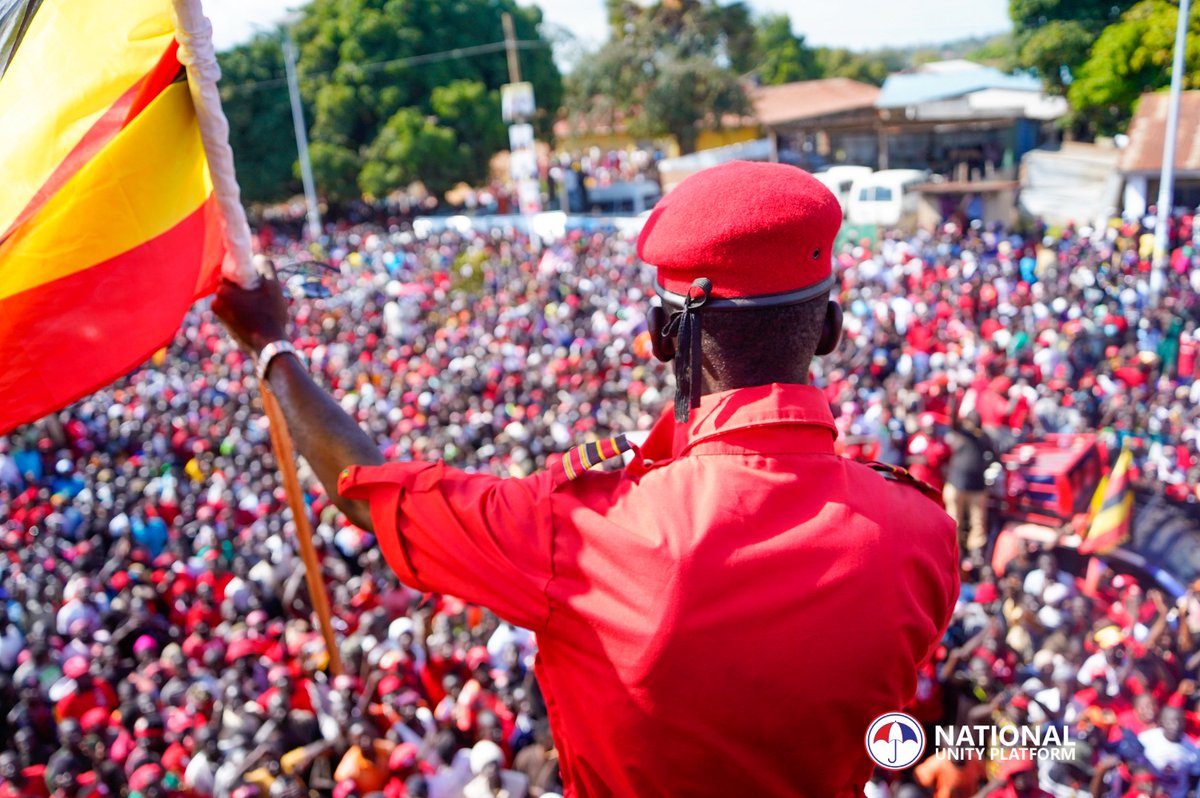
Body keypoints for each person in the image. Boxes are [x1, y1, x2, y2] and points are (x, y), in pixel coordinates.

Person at [215, 161, 961, 796]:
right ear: (829, 330)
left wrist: (272, 345)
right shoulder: (924, 534)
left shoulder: (579, 529)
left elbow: (369, 488)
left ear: (662, 337)